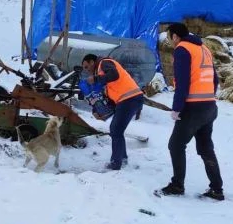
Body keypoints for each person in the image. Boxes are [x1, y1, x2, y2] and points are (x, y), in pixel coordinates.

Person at [159, 23, 224, 200]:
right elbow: (214, 79)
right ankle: (217, 189)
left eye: (169, 37)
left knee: (176, 145)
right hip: (209, 106)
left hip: (193, 108)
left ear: (174, 36)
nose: (170, 41)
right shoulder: (204, 49)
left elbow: (183, 82)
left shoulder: (182, 49)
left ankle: (177, 185)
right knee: (205, 148)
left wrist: (177, 107)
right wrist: (209, 97)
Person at [80, 54, 144, 170]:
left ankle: (116, 163)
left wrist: (96, 79)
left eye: (86, 66)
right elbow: (109, 96)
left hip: (130, 99)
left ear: (91, 62)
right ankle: (122, 159)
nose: (86, 70)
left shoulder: (104, 63)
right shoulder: (101, 71)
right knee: (117, 130)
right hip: (129, 100)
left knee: (115, 130)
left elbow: (114, 75)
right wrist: (99, 112)